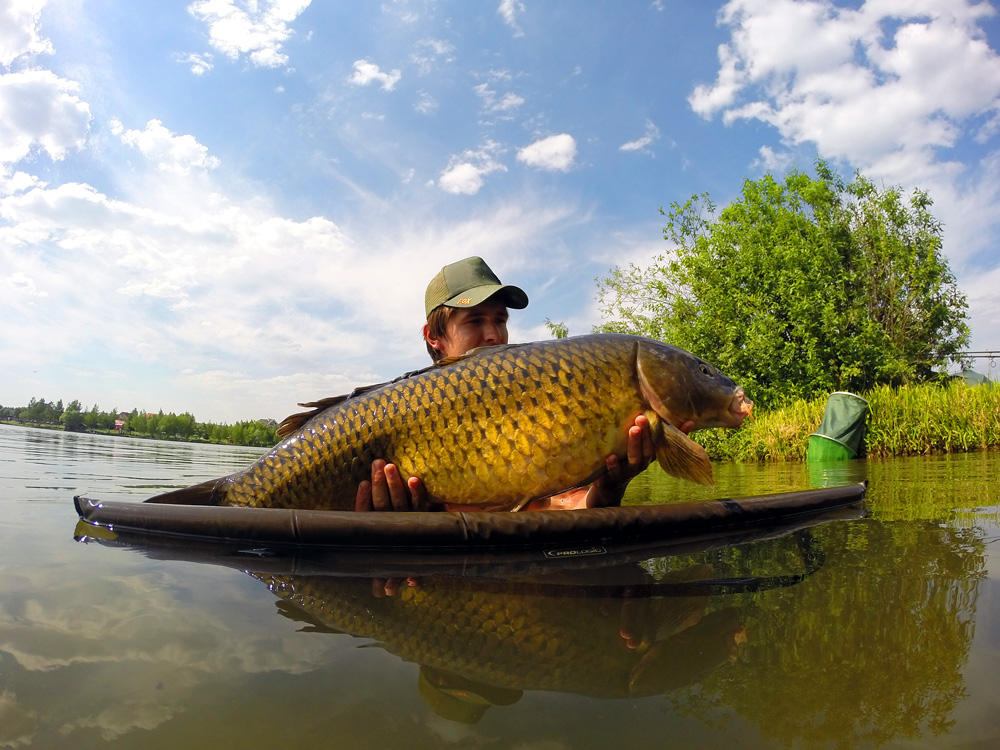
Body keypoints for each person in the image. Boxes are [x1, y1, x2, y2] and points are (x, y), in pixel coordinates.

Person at [355, 256, 679, 514]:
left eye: (500, 319)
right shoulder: (402, 411)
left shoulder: (537, 405)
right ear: (434, 336)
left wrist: (610, 486)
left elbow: (567, 508)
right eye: (475, 320)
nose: (494, 334)